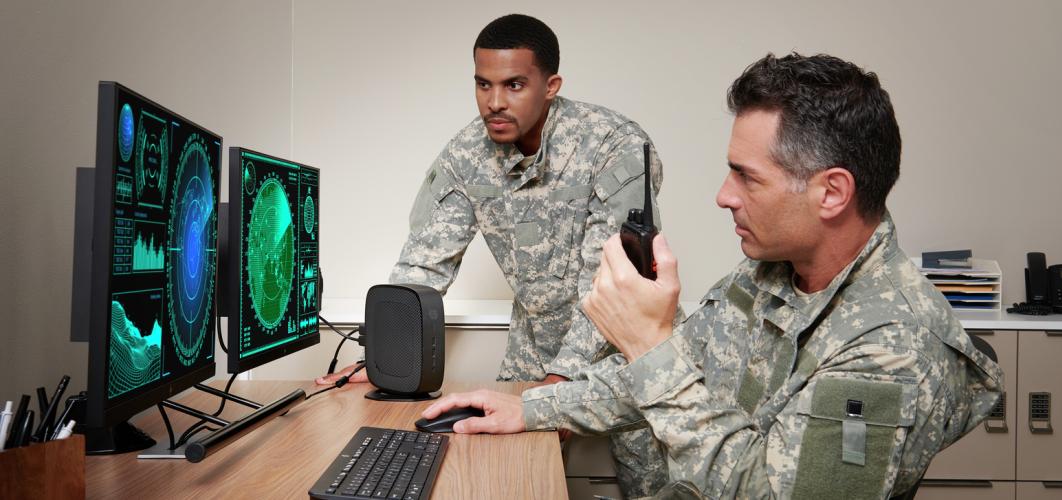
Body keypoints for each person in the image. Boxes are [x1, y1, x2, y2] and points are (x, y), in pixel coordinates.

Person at [422, 53, 1005, 498]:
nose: (723, 197)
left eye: (746, 178)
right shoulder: (768, 276)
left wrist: (649, 344)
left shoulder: (892, 346)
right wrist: (527, 409)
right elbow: (673, 370)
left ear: (832, 192)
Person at [317, 14, 670, 495]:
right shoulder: (466, 154)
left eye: (515, 84)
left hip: (623, 350)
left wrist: (563, 381)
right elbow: (424, 262)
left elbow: (610, 282)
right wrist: (383, 356)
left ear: (551, 85)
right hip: (532, 345)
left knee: (652, 488)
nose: (495, 102)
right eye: (483, 84)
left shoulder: (616, 145)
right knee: (506, 481)